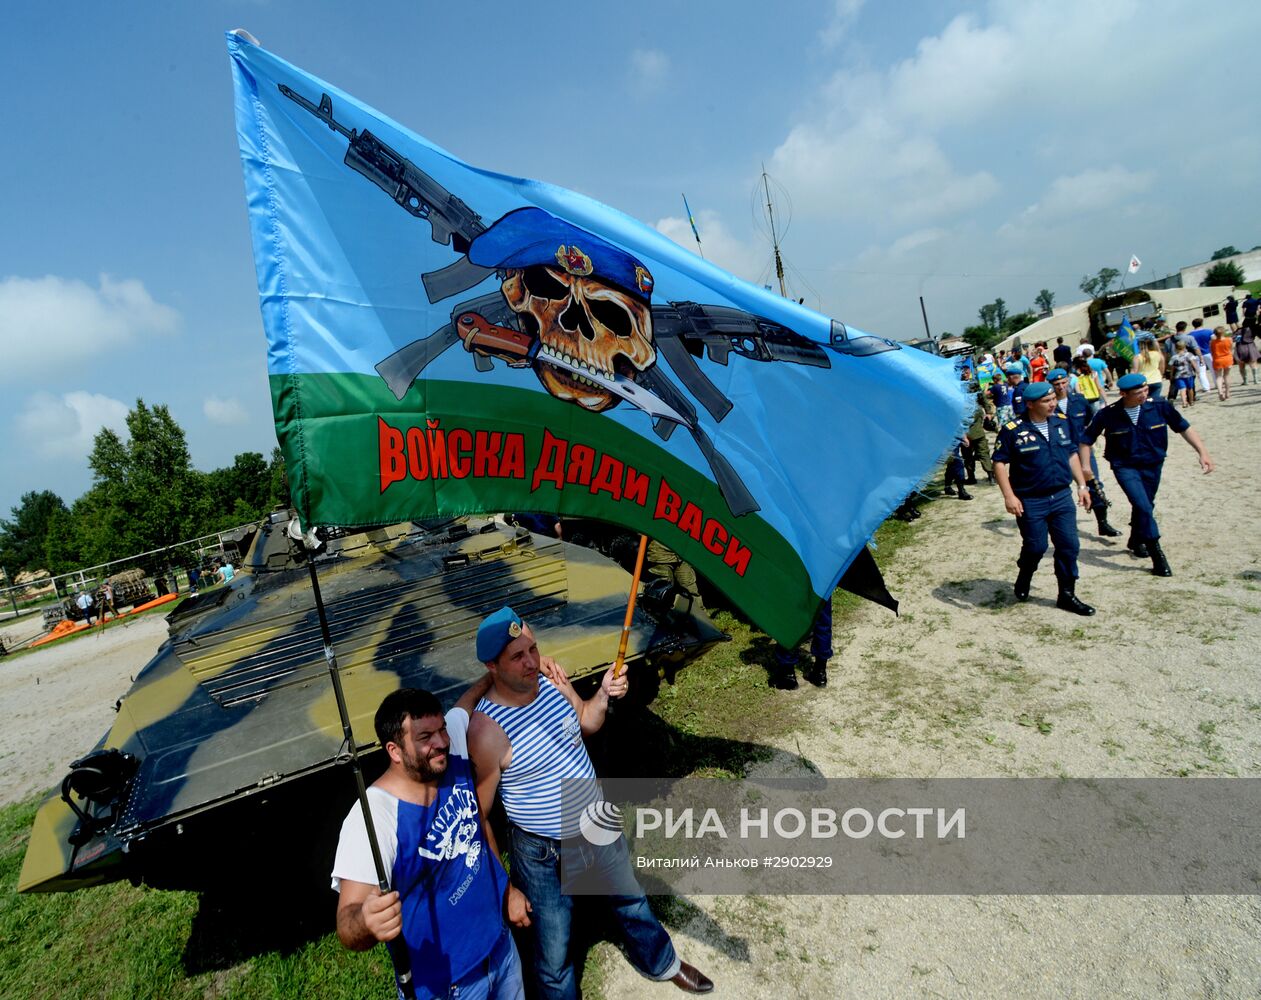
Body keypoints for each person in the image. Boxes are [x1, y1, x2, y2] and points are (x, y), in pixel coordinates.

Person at [467, 608, 713, 999]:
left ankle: (661, 962)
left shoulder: (550, 682)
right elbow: (478, 816)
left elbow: (586, 721)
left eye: (533, 649)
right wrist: (505, 888)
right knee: (554, 949)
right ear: (491, 667)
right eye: (518, 656)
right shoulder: (485, 731)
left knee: (631, 901)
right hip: (543, 851)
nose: (532, 661)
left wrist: (602, 694)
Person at [331, 675, 526, 1000]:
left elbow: (465, 703)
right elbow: (346, 924)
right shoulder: (374, 817)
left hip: (502, 950)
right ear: (394, 750)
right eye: (426, 737)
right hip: (449, 987)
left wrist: (495, 675)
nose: (442, 741)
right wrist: (366, 921)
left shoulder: (450, 751)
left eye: (442, 730)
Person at [1078, 372, 1216, 577]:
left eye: (1145, 390)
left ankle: (1135, 539)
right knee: (1142, 505)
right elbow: (1085, 440)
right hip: (1125, 466)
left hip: (1153, 464)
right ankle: (1156, 553)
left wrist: (1202, 452)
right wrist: (1085, 466)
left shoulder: (1159, 406)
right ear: (1124, 393)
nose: (1144, 395)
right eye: (1138, 392)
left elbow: (1184, 428)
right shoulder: (1108, 414)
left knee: (1145, 504)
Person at [992, 382, 1095, 615]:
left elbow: (1071, 454)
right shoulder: (1013, 429)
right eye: (1046, 401)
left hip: (1060, 496)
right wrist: (1009, 496)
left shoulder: (1060, 421)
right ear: (1030, 404)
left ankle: (1067, 595)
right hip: (1030, 500)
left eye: (1053, 399)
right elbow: (999, 462)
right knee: (1036, 546)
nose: (1053, 403)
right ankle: (1025, 573)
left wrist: (1082, 485)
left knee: (1069, 546)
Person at [1047, 368, 1121, 538]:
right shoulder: (1048, 405)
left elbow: (1089, 422)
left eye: (1063, 382)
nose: (1061, 387)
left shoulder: (1079, 401)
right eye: (1056, 384)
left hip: (1081, 450)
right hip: (1059, 452)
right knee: (1059, 487)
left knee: (1094, 483)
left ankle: (1102, 523)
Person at [771, 598, 832, 689]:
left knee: (790, 617)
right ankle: (820, 672)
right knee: (822, 619)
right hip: (822, 585)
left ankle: (788, 675)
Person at [1131, 334, 1166, 399]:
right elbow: (1162, 369)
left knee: (1144, 402)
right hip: (1156, 380)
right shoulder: (1158, 354)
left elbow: (1134, 371)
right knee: (1154, 401)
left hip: (1143, 381)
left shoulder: (1137, 357)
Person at [1167, 339, 1198, 407]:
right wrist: (1197, 371)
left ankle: (1184, 402)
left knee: (1182, 389)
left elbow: (1172, 368)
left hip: (1179, 375)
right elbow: (1193, 363)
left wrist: (1171, 375)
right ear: (1184, 347)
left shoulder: (1174, 357)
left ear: (1175, 348)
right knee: (1190, 388)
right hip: (1189, 374)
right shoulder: (1189, 355)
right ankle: (1191, 401)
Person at [1190, 318, 1216, 393]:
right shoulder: (1209, 331)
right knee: (1213, 369)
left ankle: (1206, 388)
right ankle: (1217, 383)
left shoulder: (1190, 334)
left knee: (1201, 372)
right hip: (1208, 352)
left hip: (1197, 355)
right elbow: (1214, 340)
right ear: (1202, 323)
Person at [1210, 327, 1234, 400]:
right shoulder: (1229, 340)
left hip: (1217, 359)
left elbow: (1212, 352)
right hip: (1227, 359)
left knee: (1219, 377)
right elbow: (1231, 349)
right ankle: (1227, 392)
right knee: (1226, 375)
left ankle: (1220, 392)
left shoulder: (1212, 342)